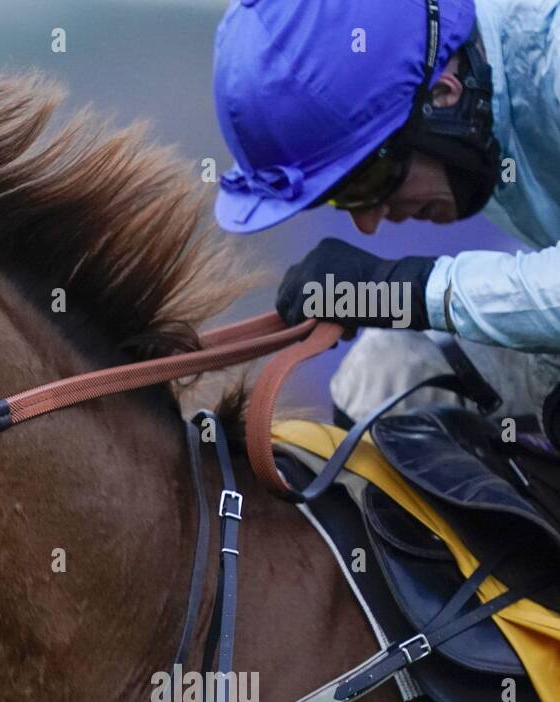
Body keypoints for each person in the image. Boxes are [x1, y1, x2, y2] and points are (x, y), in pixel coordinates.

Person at [211, 0, 560, 447]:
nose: (370, 222)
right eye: (339, 198)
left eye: (369, 180)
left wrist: (405, 289)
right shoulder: (473, 80)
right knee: (384, 377)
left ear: (444, 94)